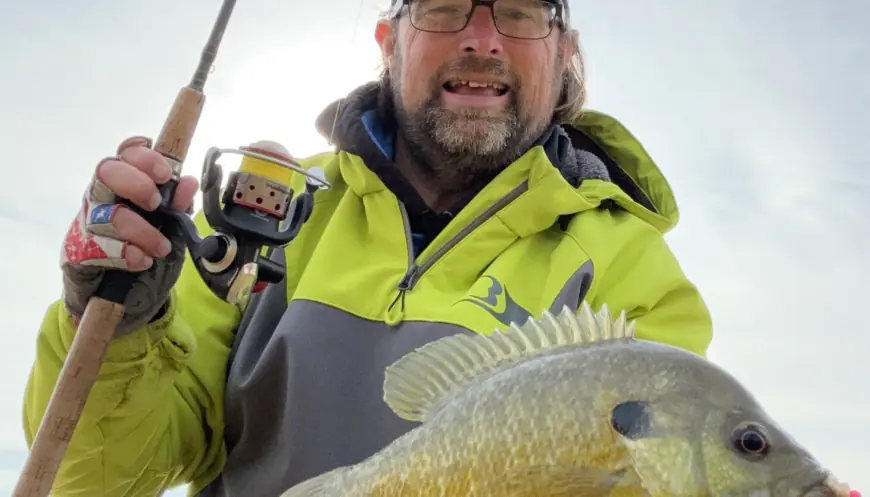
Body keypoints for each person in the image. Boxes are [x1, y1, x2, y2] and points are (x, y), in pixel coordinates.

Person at [22, 0, 714, 495]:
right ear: (390, 42)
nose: (483, 39)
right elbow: (99, 478)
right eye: (444, 8)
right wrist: (116, 321)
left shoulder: (630, 263)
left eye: (521, 12)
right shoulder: (272, 214)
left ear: (563, 52)